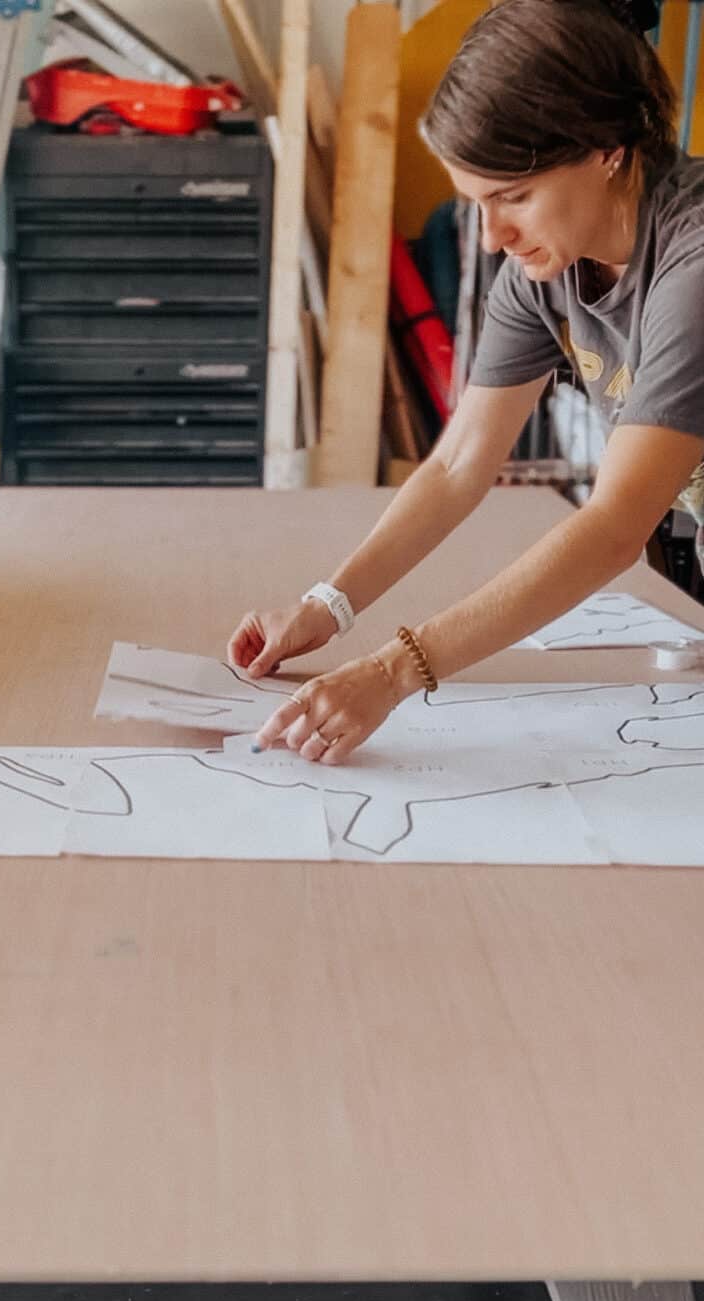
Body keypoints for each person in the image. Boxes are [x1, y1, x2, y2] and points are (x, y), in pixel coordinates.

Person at [229, 0, 704, 765]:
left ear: (607, 149)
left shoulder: (694, 265)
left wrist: (392, 672)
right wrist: (329, 606)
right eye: (474, 202)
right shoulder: (543, 267)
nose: (491, 237)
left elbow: (615, 528)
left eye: (513, 197)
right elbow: (456, 466)